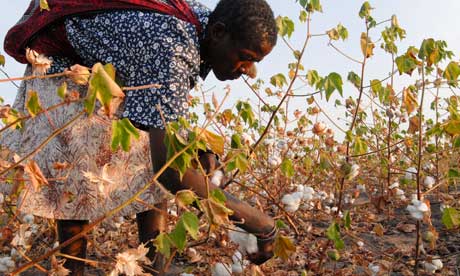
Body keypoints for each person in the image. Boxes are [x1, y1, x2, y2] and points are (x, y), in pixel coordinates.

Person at [1, 0, 278, 275]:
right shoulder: (173, 49)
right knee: (76, 183)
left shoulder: (203, 23)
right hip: (66, 70)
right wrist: (257, 222)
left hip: (111, 68)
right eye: (246, 56)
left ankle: (154, 269)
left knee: (149, 155)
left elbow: (164, 118)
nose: (250, 70)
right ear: (218, 33)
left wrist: (200, 147)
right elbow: (169, 172)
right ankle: (73, 269)